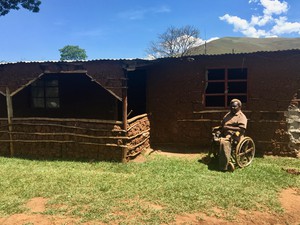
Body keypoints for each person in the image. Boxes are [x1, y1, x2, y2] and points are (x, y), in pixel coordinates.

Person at [218, 99, 247, 171]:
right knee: (215, 137)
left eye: (234, 106)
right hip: (225, 132)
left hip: (236, 134)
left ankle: (224, 166)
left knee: (225, 142)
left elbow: (242, 129)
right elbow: (222, 125)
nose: (232, 108)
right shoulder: (228, 114)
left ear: (239, 107)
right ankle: (219, 158)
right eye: (231, 106)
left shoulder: (241, 117)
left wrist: (228, 127)